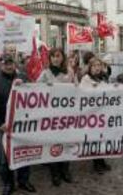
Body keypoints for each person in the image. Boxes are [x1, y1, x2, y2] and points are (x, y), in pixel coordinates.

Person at [0, 55, 36, 195]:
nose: (9, 66)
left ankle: (24, 180)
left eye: (11, 63)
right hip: (4, 127)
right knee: (4, 158)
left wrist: (25, 84)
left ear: (15, 64)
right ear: (1, 65)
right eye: (6, 64)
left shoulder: (23, 77)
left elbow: (36, 95)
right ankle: (8, 184)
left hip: (23, 126)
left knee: (24, 154)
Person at [37, 48, 75, 186]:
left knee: (67, 143)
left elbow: (77, 89)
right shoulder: (46, 73)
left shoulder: (70, 72)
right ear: (50, 58)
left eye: (58, 56)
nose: (56, 59)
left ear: (62, 57)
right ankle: (55, 173)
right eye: (53, 56)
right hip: (52, 116)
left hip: (67, 115)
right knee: (53, 145)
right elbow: (33, 89)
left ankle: (65, 170)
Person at [80, 57, 112, 174]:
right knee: (95, 139)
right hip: (92, 114)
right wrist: (91, 91)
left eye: (99, 65)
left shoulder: (104, 78)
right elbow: (81, 94)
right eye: (94, 66)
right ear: (90, 67)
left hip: (103, 113)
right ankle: (96, 163)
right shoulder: (86, 79)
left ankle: (102, 160)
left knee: (102, 138)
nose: (97, 68)